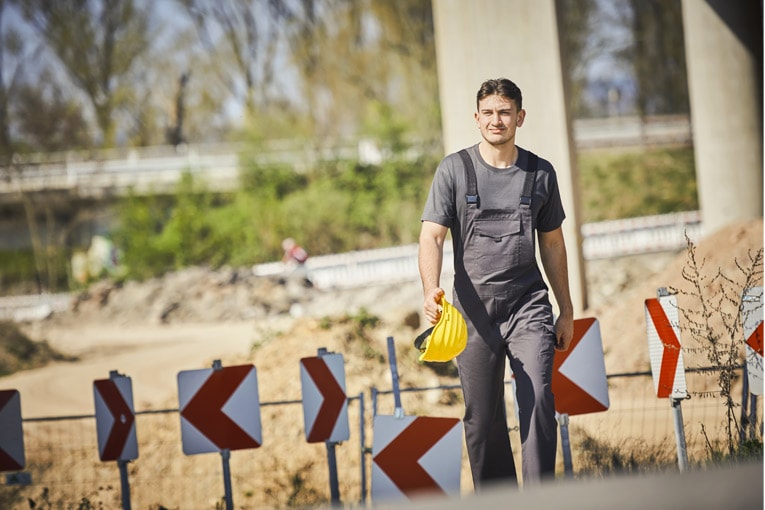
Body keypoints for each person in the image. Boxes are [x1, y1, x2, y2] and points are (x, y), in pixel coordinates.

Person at [418, 78, 574, 490]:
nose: (496, 120)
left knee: (539, 397)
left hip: (528, 306)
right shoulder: (455, 170)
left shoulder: (540, 173)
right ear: (476, 118)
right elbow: (431, 235)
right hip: (472, 313)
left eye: (504, 112)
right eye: (488, 112)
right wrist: (430, 289)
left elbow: (554, 245)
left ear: (519, 117)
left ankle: (541, 498)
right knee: (482, 417)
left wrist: (567, 309)